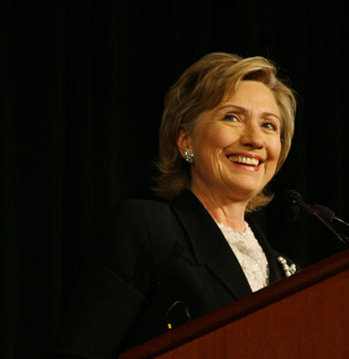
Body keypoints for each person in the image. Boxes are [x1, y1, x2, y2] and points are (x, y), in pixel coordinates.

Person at [53, 52, 299, 358]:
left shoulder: (288, 272)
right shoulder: (147, 229)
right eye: (232, 117)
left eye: (269, 125)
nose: (254, 139)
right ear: (186, 141)